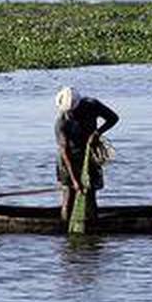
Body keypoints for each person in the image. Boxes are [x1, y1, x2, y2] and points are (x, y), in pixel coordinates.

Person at [55, 86, 119, 224]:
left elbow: (113, 118)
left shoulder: (92, 105)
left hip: (89, 156)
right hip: (68, 161)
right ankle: (65, 229)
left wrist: (97, 133)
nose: (71, 113)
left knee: (90, 194)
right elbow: (64, 151)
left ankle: (92, 228)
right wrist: (75, 181)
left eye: (74, 110)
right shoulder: (61, 122)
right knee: (69, 195)